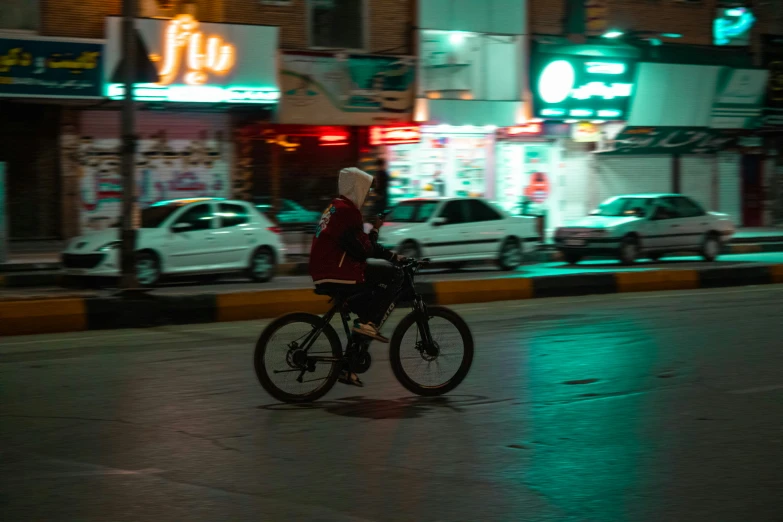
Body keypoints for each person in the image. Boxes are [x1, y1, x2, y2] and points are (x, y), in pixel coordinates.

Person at [309, 167, 405, 386]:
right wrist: (392, 256)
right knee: (394, 274)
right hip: (337, 270)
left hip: (326, 268)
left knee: (366, 306)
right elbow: (365, 250)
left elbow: (360, 245)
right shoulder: (348, 211)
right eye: (366, 190)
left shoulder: (336, 206)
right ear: (357, 189)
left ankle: (348, 365)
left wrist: (374, 231)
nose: (367, 195)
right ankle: (369, 323)